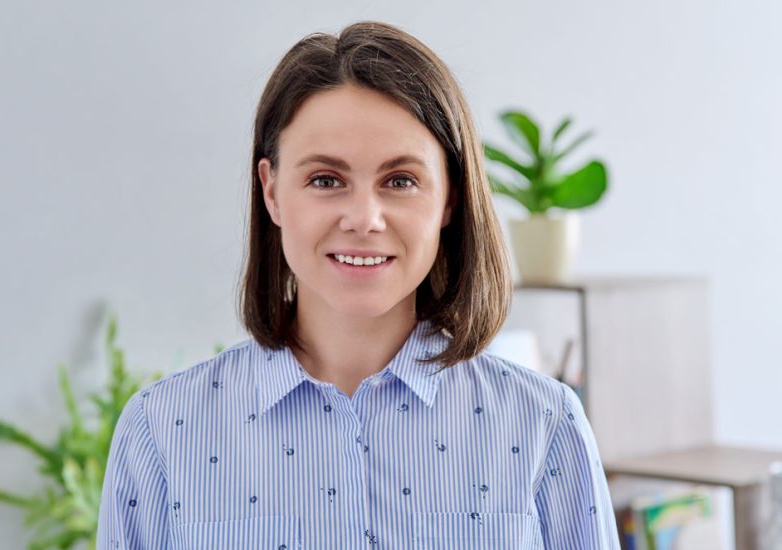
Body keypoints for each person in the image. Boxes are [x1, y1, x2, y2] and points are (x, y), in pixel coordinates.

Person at [97, 20, 620, 549]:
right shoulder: (161, 432)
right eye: (326, 180)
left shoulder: (543, 426)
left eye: (400, 181)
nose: (364, 218)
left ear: (450, 199)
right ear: (271, 191)